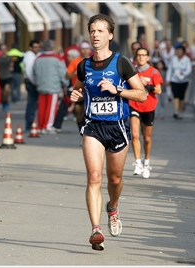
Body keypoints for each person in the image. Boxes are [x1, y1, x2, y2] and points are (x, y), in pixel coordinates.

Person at [69, 14, 146, 251]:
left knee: (114, 179)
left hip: (117, 127)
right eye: (92, 30)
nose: (95, 34)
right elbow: (78, 89)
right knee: (94, 177)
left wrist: (117, 90)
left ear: (110, 35)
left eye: (100, 31)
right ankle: (96, 229)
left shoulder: (122, 62)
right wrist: (76, 96)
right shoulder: (84, 65)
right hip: (93, 127)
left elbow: (142, 94)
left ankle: (113, 207)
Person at [130, 47, 163, 178]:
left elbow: (159, 90)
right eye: (139, 55)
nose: (141, 57)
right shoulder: (132, 71)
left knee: (147, 138)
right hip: (134, 105)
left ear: (148, 57)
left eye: (144, 55)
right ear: (136, 57)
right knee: (135, 134)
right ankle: (138, 162)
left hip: (148, 107)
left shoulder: (154, 72)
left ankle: (147, 162)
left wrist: (146, 85)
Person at [33, 39, 69, 134]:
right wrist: (65, 84)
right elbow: (63, 73)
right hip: (53, 86)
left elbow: (34, 72)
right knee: (51, 107)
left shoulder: (38, 58)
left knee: (41, 107)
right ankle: (47, 126)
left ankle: (40, 126)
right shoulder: (58, 58)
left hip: (41, 85)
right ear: (52, 47)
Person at [62, 41, 92, 134]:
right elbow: (67, 76)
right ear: (80, 50)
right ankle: (81, 132)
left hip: (91, 91)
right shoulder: (75, 61)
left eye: (87, 48)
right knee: (79, 114)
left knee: (89, 113)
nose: (85, 51)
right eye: (83, 49)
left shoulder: (94, 60)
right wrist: (75, 73)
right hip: (79, 91)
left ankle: (88, 133)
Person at [51, 48, 80, 133]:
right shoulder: (76, 63)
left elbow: (67, 75)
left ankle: (57, 125)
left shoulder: (74, 63)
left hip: (74, 88)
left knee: (63, 107)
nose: (67, 57)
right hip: (76, 88)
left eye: (69, 56)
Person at [165, 43, 192, 119]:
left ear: (183, 52)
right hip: (174, 80)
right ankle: (176, 111)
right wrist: (168, 79)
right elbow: (170, 69)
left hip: (184, 80)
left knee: (181, 97)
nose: (179, 52)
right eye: (178, 51)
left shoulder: (186, 59)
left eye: (180, 51)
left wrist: (183, 73)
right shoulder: (174, 59)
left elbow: (189, 70)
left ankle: (181, 111)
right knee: (175, 96)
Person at [23, 39, 41, 132]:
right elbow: (29, 71)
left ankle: (31, 123)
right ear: (30, 48)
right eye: (35, 47)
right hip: (31, 82)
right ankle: (29, 125)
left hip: (32, 82)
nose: (37, 49)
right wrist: (35, 82)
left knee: (33, 104)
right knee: (32, 104)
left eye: (38, 47)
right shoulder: (29, 57)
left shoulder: (35, 55)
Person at [0, 44, 13, 111]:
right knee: (2, 91)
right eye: (2, 49)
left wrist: (11, 67)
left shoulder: (9, 57)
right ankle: (4, 102)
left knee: (7, 89)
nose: (3, 51)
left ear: (7, 50)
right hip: (1, 76)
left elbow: (11, 64)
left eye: (4, 49)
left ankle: (6, 102)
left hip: (8, 75)